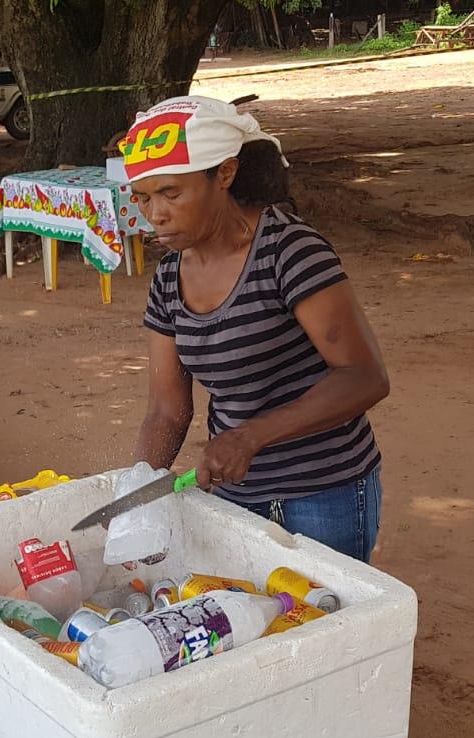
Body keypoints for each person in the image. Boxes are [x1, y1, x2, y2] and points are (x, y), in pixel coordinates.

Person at [123, 97, 390, 562]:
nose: (155, 214)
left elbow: (364, 377)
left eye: (171, 193)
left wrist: (249, 437)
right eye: (143, 198)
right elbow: (167, 410)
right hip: (235, 494)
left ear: (224, 174)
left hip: (324, 493)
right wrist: (137, 495)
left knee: (323, 625)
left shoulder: (289, 253)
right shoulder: (168, 280)